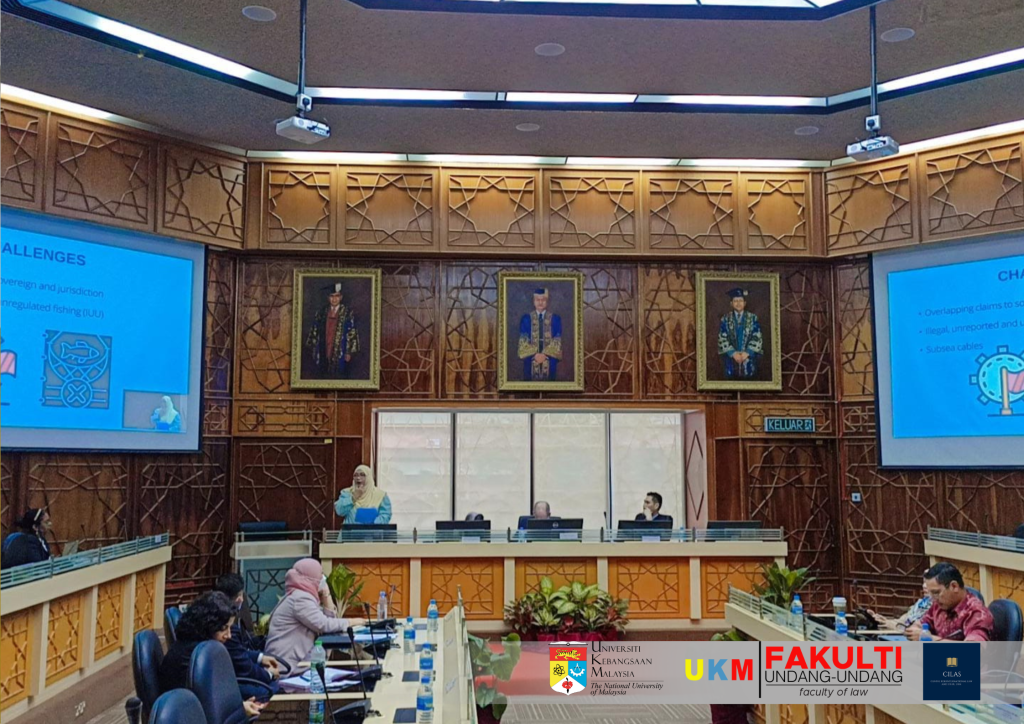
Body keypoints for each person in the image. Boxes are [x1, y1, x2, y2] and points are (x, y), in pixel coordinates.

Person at [158, 591, 266, 718]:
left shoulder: (190, 643)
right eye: (224, 628)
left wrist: (240, 705)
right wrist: (240, 709)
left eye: (230, 628)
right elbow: (208, 707)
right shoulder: (198, 657)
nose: (229, 635)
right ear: (208, 625)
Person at [264, 559, 364, 673]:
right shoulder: (301, 599)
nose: (322, 578)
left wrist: (326, 595)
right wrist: (351, 622)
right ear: (311, 578)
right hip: (286, 668)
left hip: (295, 664)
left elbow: (327, 620)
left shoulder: (299, 595)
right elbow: (324, 624)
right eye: (320, 575)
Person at [213, 573, 282, 697]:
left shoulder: (221, 617)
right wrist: (269, 675)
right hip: (226, 683)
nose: (228, 634)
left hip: (225, 679)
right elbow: (242, 665)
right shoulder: (221, 624)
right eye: (239, 595)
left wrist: (260, 657)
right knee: (271, 689)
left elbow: (238, 653)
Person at [905, 562, 994, 642]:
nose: (933, 599)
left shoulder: (976, 613)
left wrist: (930, 639)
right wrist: (915, 630)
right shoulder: (939, 605)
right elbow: (922, 623)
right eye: (931, 594)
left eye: (936, 593)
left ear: (954, 586)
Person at [305, 282, 360, 378]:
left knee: (339, 371)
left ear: (341, 297)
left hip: (341, 347)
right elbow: (315, 329)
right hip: (325, 345)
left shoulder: (347, 313)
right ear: (328, 298)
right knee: (323, 369)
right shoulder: (321, 312)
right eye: (332, 296)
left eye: (337, 296)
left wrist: (349, 352)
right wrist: (313, 347)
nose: (334, 299)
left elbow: (352, 332)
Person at [717, 287, 763, 380]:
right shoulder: (725, 319)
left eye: (740, 301)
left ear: (745, 303)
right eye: (735, 301)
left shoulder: (752, 318)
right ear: (731, 303)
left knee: (750, 378)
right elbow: (722, 337)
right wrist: (733, 353)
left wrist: (747, 352)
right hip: (731, 359)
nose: (738, 303)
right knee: (731, 379)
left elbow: (757, 336)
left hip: (748, 359)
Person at [517, 288, 562, 382]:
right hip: (530, 359)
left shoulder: (555, 319)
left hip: (550, 359)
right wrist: (535, 355)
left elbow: (557, 340)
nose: (540, 302)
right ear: (534, 301)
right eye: (538, 300)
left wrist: (545, 355)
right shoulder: (526, 319)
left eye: (543, 300)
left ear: (547, 302)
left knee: (550, 385)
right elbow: (523, 342)